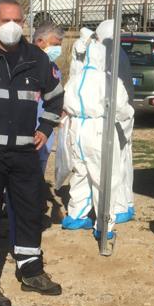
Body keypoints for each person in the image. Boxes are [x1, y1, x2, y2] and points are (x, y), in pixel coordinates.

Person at [0, 0, 64, 306]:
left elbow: (56, 99)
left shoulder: (37, 59)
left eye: (19, 20)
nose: (13, 26)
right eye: (6, 20)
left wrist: (45, 128)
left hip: (24, 152)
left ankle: (30, 269)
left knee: (30, 210)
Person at [61, 41, 133, 237]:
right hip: (100, 129)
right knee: (106, 179)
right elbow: (121, 108)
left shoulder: (74, 80)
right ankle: (104, 225)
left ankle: (76, 215)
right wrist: (129, 116)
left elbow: (65, 102)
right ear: (104, 58)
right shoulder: (109, 81)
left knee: (81, 172)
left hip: (77, 129)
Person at [95, 19, 135, 222]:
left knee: (117, 161)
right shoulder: (119, 52)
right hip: (125, 111)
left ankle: (120, 205)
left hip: (119, 113)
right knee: (124, 159)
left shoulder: (110, 54)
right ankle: (126, 202)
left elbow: (113, 90)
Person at [32, 23, 65, 175]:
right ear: (40, 42)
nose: (58, 49)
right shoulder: (24, 64)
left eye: (60, 45)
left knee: (38, 174)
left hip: (44, 133)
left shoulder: (55, 69)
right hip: (25, 131)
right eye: (55, 45)